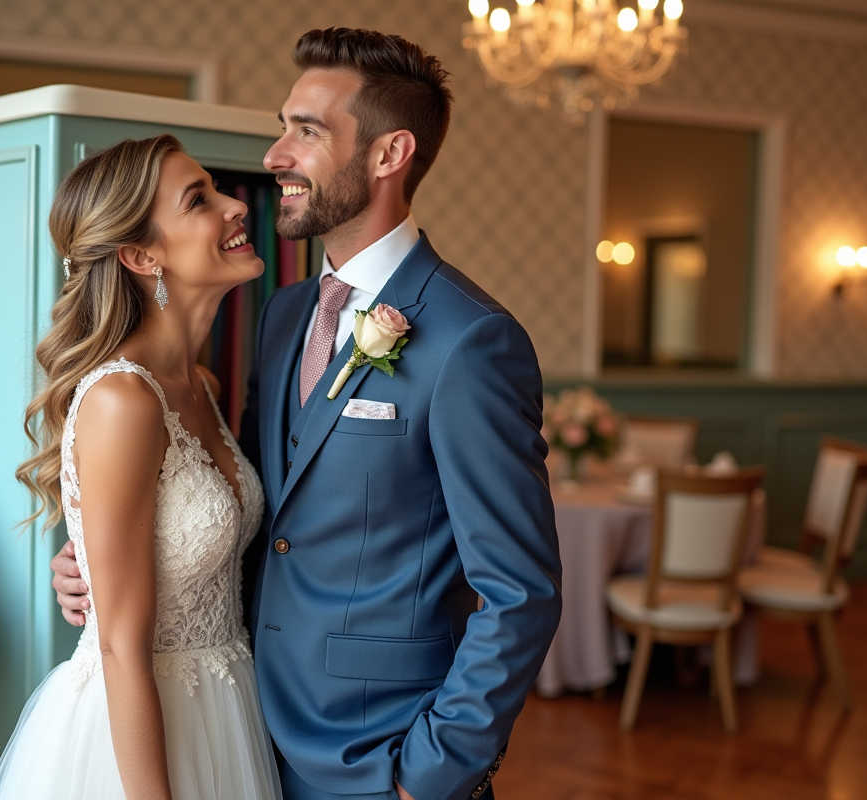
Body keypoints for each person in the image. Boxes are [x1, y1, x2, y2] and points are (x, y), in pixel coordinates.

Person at [53, 28, 563, 800]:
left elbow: (521, 591)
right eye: (283, 125)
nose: (273, 157)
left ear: (390, 155)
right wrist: (93, 559)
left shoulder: (471, 341)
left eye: (307, 131)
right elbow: (250, 506)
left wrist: (431, 774)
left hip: (381, 759)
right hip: (245, 735)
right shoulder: (284, 316)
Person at [0, 134, 281, 800]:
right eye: (199, 199)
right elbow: (121, 647)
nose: (237, 206)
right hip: (139, 732)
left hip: (227, 705)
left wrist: (84, 557)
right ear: (142, 255)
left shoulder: (200, 384)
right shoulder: (122, 399)